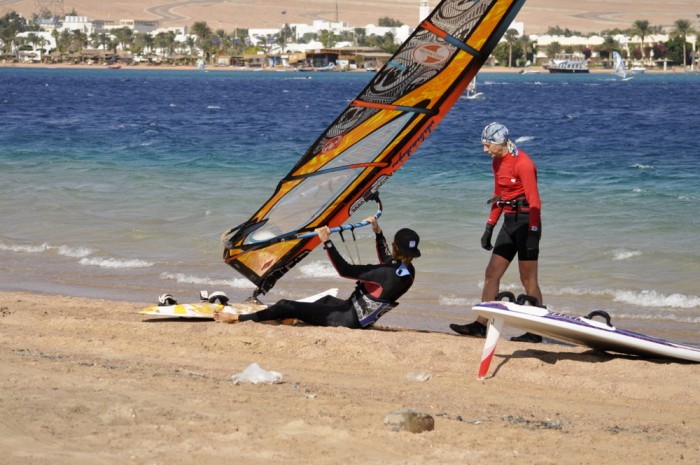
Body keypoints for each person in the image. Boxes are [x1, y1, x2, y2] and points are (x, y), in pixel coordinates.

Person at [214, 217, 420, 328]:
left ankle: (237, 320)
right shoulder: (407, 272)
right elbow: (387, 261)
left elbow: (345, 270)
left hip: (347, 320)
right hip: (360, 317)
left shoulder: (385, 273)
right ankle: (288, 318)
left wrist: (327, 242)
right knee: (327, 300)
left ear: (396, 247)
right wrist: (378, 233)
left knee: (286, 304)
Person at [450, 122, 544, 343]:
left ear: (498, 143)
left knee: (527, 278)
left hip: (526, 223)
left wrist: (532, 231)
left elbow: (534, 202)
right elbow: (498, 195)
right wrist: (489, 226)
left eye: (487, 145)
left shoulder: (523, 163)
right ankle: (481, 325)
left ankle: (536, 331)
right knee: (492, 272)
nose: (485, 150)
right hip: (509, 222)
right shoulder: (497, 162)